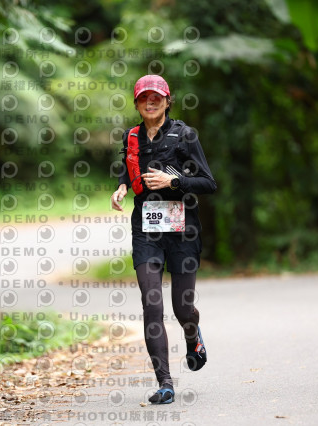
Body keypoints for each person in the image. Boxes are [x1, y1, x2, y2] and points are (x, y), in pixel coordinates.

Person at [111, 74, 217, 404]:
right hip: (147, 230)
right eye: (144, 97)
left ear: (168, 101)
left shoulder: (185, 135)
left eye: (156, 96)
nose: (150, 101)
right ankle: (165, 383)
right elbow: (128, 166)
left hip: (183, 230)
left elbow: (208, 183)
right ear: (137, 103)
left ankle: (192, 335)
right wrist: (122, 186)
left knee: (182, 308)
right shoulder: (131, 136)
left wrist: (173, 182)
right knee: (152, 304)